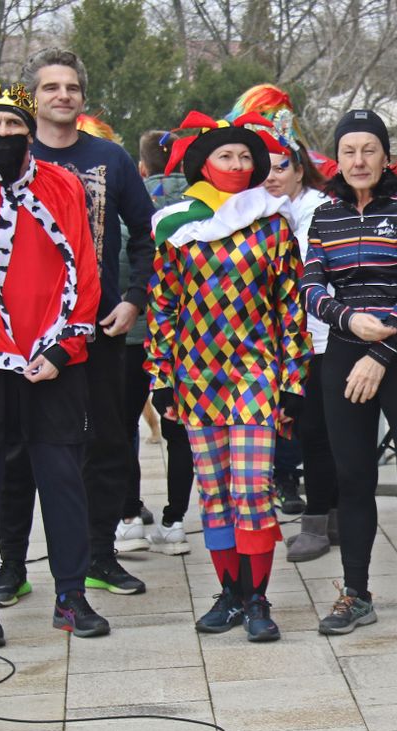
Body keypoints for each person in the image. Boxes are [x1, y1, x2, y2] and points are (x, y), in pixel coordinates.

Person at [0, 81, 109, 647]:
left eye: (14, 126)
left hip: (54, 360)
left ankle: (71, 596)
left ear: (30, 131)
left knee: (62, 480)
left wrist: (63, 349)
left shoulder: (63, 186)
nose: (4, 135)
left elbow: (85, 269)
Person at [0, 48, 157, 603]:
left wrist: (135, 299)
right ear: (33, 98)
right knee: (17, 448)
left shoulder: (108, 158)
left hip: (101, 330)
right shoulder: (12, 159)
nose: (62, 95)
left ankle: (99, 557)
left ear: (83, 97)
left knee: (108, 444)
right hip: (26, 334)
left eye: (71, 87)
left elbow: (144, 235)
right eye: (50, 87)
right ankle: (10, 566)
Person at [147, 110, 310, 642]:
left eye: (246, 156)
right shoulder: (176, 228)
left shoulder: (273, 225)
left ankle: (259, 600)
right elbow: (163, 305)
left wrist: (292, 382)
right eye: (226, 155)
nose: (238, 164)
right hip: (196, 378)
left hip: (256, 375)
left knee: (253, 491)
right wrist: (161, 377)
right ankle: (232, 596)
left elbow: (291, 307)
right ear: (203, 163)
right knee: (214, 493)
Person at [301, 108, 397, 640]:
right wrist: (349, 322)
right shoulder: (324, 215)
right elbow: (312, 288)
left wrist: (381, 352)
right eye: (348, 151)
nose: (359, 160)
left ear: (385, 157)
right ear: (336, 159)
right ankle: (355, 593)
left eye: (369, 149)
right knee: (353, 479)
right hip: (344, 353)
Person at [225, 85, 336, 562]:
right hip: (270, 344)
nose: (272, 176)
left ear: (299, 165)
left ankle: (325, 518)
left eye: (281, 165)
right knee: (301, 431)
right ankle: (326, 514)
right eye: (262, 167)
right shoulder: (252, 213)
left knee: (322, 431)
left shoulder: (321, 211)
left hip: (324, 338)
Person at [119, 129, 192, 556]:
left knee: (124, 422)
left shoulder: (129, 202)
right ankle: (175, 519)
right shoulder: (200, 207)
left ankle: (128, 517)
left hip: (132, 330)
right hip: (185, 334)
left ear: (142, 167)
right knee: (177, 425)